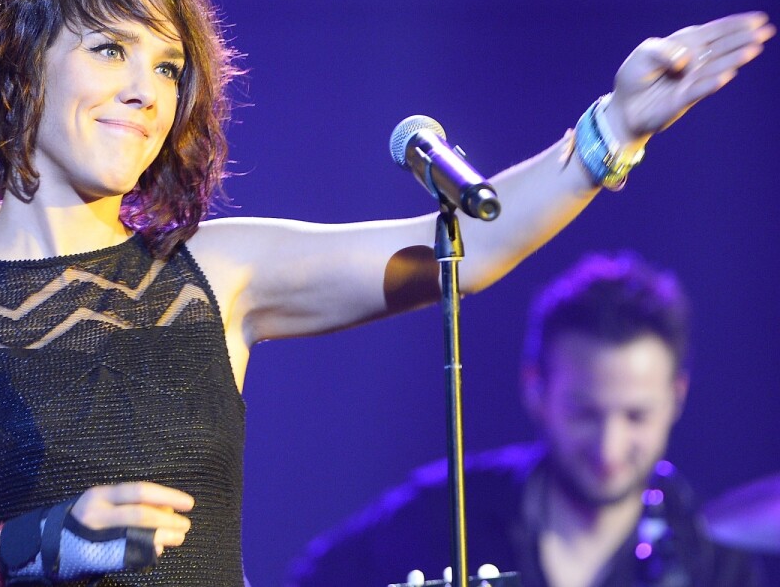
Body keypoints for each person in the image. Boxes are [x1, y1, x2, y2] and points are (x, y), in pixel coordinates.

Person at [0, 0, 773, 587]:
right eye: (111, 50)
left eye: (167, 67)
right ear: (20, 71)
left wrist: (613, 130)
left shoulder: (215, 270)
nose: (144, 90)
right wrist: (22, 548)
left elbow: (465, 247)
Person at [287, 251, 765, 587]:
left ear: (676, 397)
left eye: (636, 416)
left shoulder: (714, 564)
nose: (609, 446)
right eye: (585, 412)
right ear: (536, 389)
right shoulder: (443, 514)